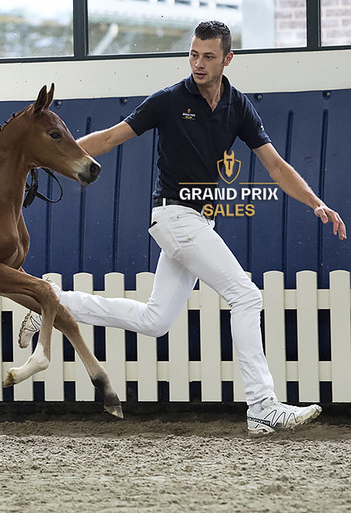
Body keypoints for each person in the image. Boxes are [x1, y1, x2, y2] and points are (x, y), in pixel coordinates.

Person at [19, 20, 347, 435]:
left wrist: (316, 202)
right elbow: (110, 138)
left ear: (228, 59)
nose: (198, 63)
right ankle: (263, 406)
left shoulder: (239, 106)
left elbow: (275, 165)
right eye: (193, 54)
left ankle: (49, 300)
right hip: (176, 217)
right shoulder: (170, 100)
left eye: (208, 56)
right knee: (246, 296)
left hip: (198, 220)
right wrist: (51, 155)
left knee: (155, 320)